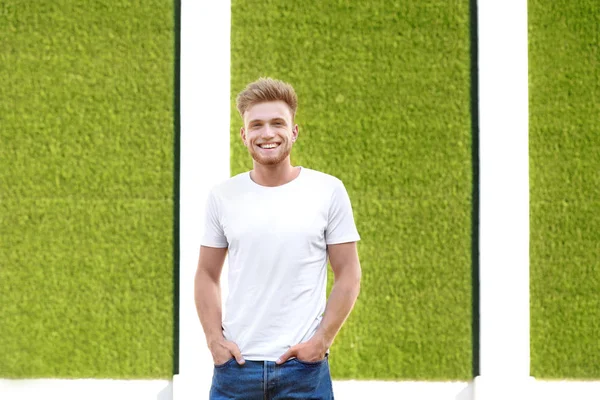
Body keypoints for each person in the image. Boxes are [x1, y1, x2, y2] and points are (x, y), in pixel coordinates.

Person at [194, 77, 362, 400]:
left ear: (294, 131)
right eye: (256, 125)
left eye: (277, 123)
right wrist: (214, 341)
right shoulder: (223, 197)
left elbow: (349, 274)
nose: (267, 133)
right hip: (236, 371)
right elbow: (206, 274)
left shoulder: (328, 191)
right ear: (244, 135)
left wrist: (321, 342)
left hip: (304, 371)